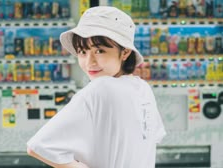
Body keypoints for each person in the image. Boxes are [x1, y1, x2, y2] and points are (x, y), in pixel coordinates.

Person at [27, 6, 166, 168]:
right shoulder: (142, 88)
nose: (89, 62)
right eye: (82, 52)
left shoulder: (100, 88)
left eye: (100, 51)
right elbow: (153, 137)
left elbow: (38, 146)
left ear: (125, 52)